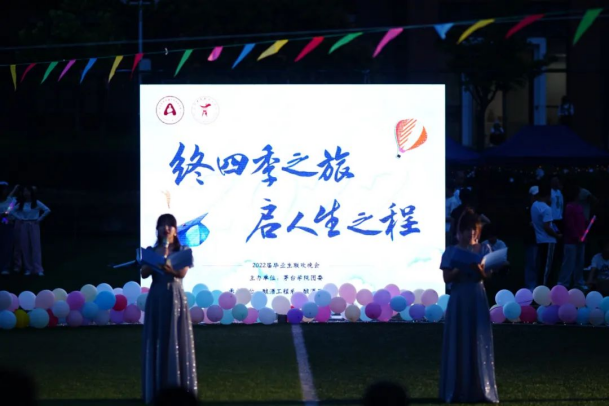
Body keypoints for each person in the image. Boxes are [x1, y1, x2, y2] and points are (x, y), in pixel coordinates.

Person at [439, 209, 501, 404]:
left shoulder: (484, 249)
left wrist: (480, 270)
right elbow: (446, 278)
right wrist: (459, 268)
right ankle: (456, 388)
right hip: (459, 297)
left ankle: (479, 387)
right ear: (460, 231)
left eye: (474, 230)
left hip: (476, 296)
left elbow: (488, 275)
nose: (471, 233)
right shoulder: (451, 251)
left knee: (477, 337)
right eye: (467, 229)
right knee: (458, 337)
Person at [141, 214, 197, 405]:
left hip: (174, 296)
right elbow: (144, 273)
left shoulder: (183, 251)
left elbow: (181, 274)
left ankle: (177, 385)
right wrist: (157, 258)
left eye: (170, 225)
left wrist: (168, 266)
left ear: (175, 230)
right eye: (162, 225)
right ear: (157, 229)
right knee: (156, 337)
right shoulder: (151, 250)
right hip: (157, 296)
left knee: (175, 336)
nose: (166, 228)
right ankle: (156, 388)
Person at [10, 186, 51, 276]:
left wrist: (39, 219)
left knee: (35, 246)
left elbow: (47, 210)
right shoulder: (21, 203)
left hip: (34, 224)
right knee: (25, 246)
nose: (26, 193)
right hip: (24, 224)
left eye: (27, 191)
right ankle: (28, 268)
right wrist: (19, 218)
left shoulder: (36, 202)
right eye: (24, 191)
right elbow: (12, 211)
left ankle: (38, 268)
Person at [531, 184, 561, 287]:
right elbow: (547, 227)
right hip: (548, 241)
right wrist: (557, 236)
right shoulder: (547, 209)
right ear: (548, 196)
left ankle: (541, 287)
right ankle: (544, 288)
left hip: (540, 240)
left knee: (542, 266)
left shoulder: (534, 205)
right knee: (548, 267)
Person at [558, 183, 587, 289]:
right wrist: (576, 237)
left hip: (581, 240)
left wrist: (583, 236)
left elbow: (582, 223)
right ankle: (563, 283)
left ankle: (578, 282)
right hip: (571, 241)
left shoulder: (579, 207)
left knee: (580, 262)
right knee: (568, 262)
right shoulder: (569, 207)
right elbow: (570, 224)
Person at [0, 182, 18, 275]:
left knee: (7, 246)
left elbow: (10, 211)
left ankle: (5, 267)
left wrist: (5, 216)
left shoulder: (11, 200)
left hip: (7, 224)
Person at [524, 186, 540, 290]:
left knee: (538, 262)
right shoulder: (528, 208)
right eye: (535, 196)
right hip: (531, 239)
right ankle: (530, 285)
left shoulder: (540, 207)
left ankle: (537, 284)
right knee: (531, 263)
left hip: (540, 239)